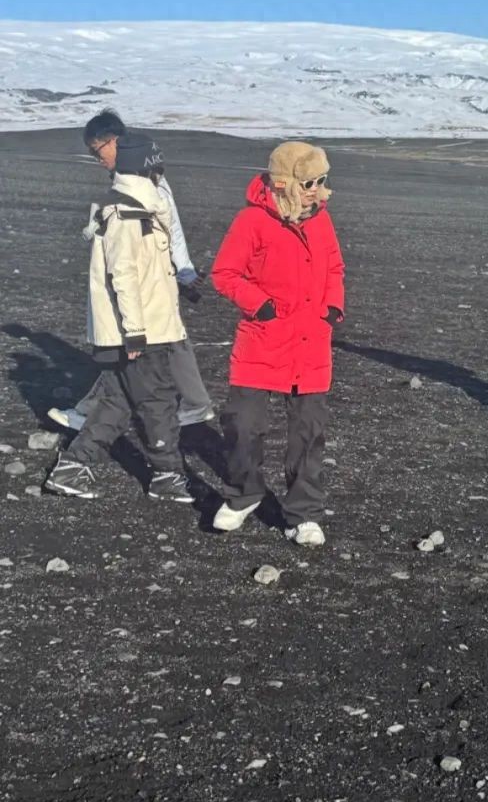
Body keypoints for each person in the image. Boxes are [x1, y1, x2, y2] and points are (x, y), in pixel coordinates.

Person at [44, 132, 193, 502]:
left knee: (118, 400)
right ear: (145, 167)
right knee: (157, 400)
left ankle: (72, 468)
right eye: (155, 165)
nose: (160, 172)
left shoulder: (133, 208)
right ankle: (168, 475)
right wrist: (136, 332)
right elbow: (123, 275)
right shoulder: (129, 213)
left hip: (142, 325)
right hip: (143, 329)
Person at [210, 142, 345, 546]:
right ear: (284, 181)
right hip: (263, 339)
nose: (316, 189)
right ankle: (244, 493)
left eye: (321, 181)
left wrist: (333, 307)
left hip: (310, 344)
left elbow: (335, 265)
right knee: (242, 424)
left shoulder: (321, 219)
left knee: (308, 432)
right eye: (309, 182)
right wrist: (261, 306)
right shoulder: (252, 221)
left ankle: (303, 514)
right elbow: (225, 272)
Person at [46, 110, 215, 432]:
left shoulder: (148, 182)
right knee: (166, 341)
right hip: (155, 274)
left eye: (98, 149)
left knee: (128, 345)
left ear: (116, 142)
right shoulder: (135, 177)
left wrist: (184, 269)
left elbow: (171, 225)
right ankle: (196, 403)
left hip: (149, 276)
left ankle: (89, 413)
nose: (97, 157)